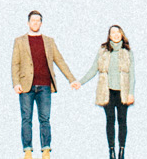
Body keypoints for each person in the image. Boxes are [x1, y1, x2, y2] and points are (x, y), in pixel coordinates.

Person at [11, 10, 79, 159]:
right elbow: (15, 63)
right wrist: (16, 83)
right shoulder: (19, 41)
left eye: (38, 20)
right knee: (26, 118)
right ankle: (28, 150)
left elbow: (59, 61)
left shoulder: (49, 41)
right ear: (28, 23)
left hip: (45, 85)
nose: (35, 23)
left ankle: (46, 149)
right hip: (26, 85)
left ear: (41, 23)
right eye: (33, 20)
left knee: (45, 119)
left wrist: (71, 79)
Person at [75, 24, 135, 159]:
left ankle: (122, 151)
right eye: (113, 33)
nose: (115, 35)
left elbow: (132, 74)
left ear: (121, 34)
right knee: (110, 121)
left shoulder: (127, 52)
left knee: (122, 121)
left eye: (118, 32)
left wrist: (131, 93)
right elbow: (93, 69)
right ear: (109, 35)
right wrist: (80, 82)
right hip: (107, 92)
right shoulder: (103, 51)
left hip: (123, 92)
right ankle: (111, 151)